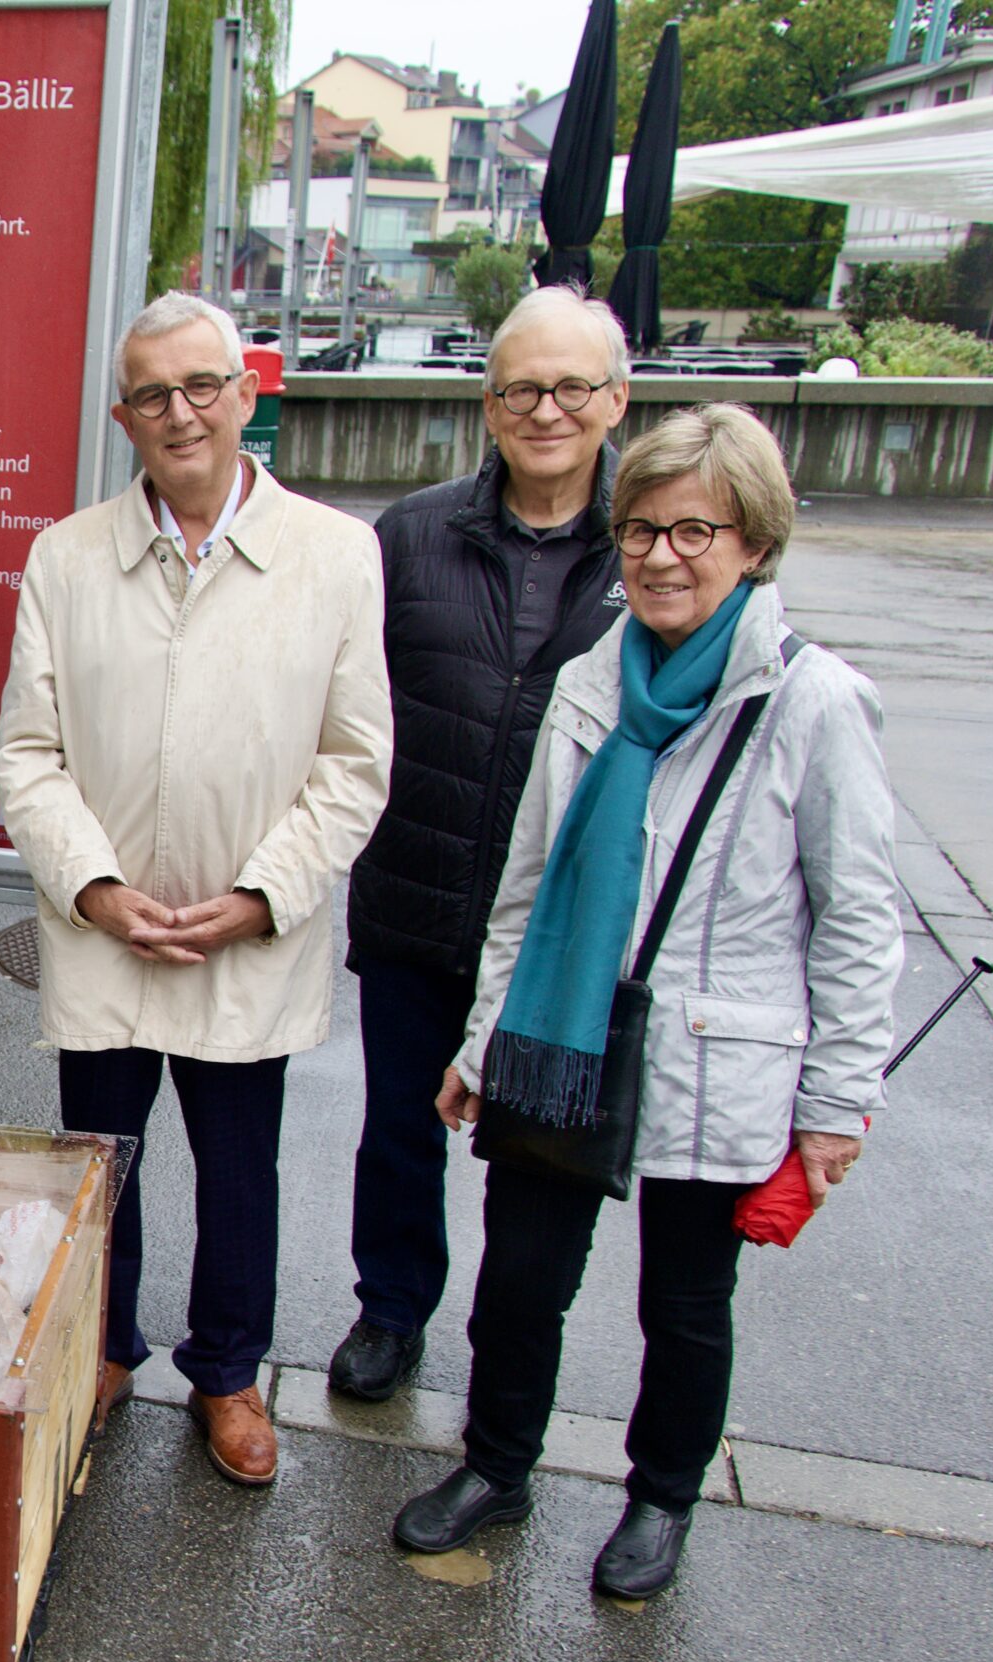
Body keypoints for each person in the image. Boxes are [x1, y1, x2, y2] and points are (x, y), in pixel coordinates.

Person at [394, 404, 902, 1598]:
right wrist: (484, 1039)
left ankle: (661, 1498)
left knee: (682, 1305)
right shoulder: (590, 678)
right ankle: (496, 1465)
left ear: (754, 544)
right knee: (520, 1280)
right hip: (559, 1038)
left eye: (694, 532)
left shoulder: (813, 701)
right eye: (640, 530)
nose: (661, 556)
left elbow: (858, 920)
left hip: (717, 1057)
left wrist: (835, 1107)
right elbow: (527, 885)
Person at [0, 292, 393, 1488]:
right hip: (105, 931)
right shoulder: (68, 557)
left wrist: (263, 896)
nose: (181, 413)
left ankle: (227, 1373)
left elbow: (354, 761)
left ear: (244, 394)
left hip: (244, 934)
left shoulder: (334, 555)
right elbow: (27, 754)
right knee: (101, 1163)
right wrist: (95, 888)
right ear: (123, 417)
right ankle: (103, 1347)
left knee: (239, 1170)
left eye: (202, 386)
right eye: (153, 395)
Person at [332, 286, 634, 1404]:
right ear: (489, 402)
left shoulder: (648, 543)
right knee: (398, 1131)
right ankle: (391, 1309)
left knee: (532, 1153)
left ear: (616, 399)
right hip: (415, 892)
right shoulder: (412, 535)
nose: (545, 410)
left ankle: (506, 1353)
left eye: (571, 387)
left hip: (559, 924)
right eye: (520, 389)